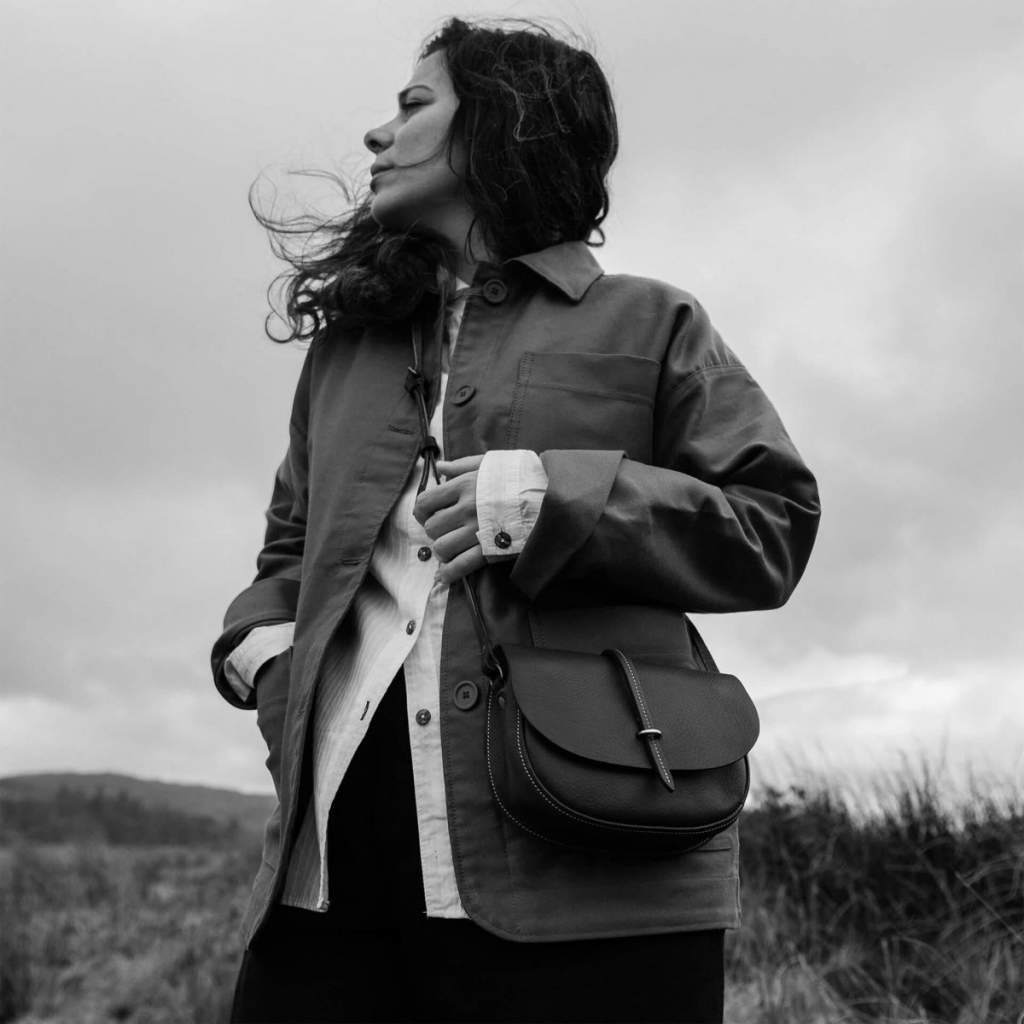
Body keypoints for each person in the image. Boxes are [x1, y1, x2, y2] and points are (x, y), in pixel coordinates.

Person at [211, 17, 820, 1024]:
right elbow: (287, 550)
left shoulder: (651, 322)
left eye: (414, 105)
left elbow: (773, 526)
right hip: (327, 882)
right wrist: (265, 661)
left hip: (591, 873)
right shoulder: (346, 354)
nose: (376, 133)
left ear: (502, 122)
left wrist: (552, 499)